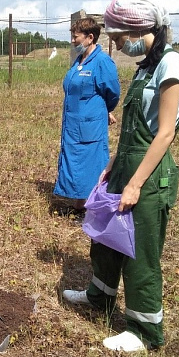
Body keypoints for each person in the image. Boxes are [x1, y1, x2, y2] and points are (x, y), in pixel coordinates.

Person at [62, 0, 179, 352]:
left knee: (140, 254)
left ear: (140, 30)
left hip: (148, 177)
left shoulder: (172, 65)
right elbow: (134, 127)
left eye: (119, 38)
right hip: (124, 167)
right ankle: (98, 296)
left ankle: (143, 331)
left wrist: (134, 183)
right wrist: (112, 165)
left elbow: (163, 132)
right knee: (104, 238)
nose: (117, 46)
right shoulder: (145, 67)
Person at [53, 17, 120, 212]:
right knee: (75, 163)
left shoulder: (102, 62)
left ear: (90, 37)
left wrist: (104, 110)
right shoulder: (79, 60)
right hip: (72, 125)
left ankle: (95, 208)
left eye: (76, 37)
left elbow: (113, 92)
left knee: (91, 165)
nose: (73, 41)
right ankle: (79, 204)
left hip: (89, 126)